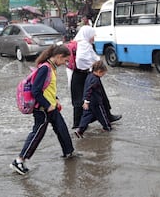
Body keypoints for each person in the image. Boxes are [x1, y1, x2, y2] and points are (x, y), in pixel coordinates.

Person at [10, 45, 76, 175]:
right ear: (58, 57)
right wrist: (47, 105)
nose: (65, 63)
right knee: (37, 134)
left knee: (62, 128)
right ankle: (18, 161)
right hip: (42, 109)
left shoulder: (52, 67)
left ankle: (69, 152)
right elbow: (36, 91)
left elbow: (47, 88)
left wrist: (55, 99)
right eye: (65, 60)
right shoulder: (45, 68)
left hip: (51, 106)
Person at [70, 25, 121, 129]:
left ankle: (80, 122)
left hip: (81, 74)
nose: (94, 38)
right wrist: (93, 66)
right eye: (93, 35)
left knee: (94, 96)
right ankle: (80, 123)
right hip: (84, 75)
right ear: (87, 34)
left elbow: (92, 58)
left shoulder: (84, 44)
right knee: (89, 97)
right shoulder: (83, 44)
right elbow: (81, 61)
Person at [74, 61, 112, 138]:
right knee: (102, 115)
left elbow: (87, 89)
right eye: (103, 74)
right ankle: (107, 128)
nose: (103, 75)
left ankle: (80, 130)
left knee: (86, 116)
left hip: (89, 102)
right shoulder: (95, 80)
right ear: (99, 71)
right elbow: (89, 90)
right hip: (96, 102)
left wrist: (85, 101)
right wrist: (87, 101)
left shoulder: (89, 76)